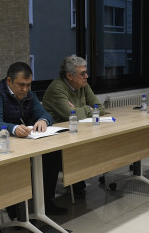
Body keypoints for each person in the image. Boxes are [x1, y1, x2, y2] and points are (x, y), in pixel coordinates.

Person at [0, 62, 66, 216]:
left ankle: (46, 202)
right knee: (17, 163)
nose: (25, 89)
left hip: (20, 142)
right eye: (21, 85)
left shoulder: (28, 95)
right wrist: (13, 128)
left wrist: (43, 121)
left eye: (28, 85)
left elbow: (45, 114)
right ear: (9, 80)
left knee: (52, 154)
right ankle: (16, 211)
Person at [42, 55, 105, 197]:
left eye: (86, 72)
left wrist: (80, 109)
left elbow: (100, 108)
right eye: (83, 74)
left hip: (78, 132)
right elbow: (73, 116)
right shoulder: (57, 87)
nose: (87, 76)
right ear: (69, 75)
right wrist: (87, 109)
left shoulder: (83, 85)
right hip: (56, 137)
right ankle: (49, 199)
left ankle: (77, 184)